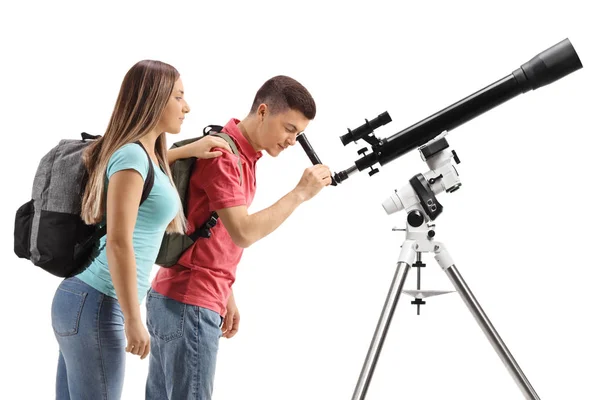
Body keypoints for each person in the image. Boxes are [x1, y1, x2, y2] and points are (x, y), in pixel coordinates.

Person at [50, 59, 230, 400]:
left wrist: (188, 150)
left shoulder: (144, 156)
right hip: (99, 302)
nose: (186, 106)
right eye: (178, 96)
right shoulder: (132, 157)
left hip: (84, 299)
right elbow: (119, 242)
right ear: (154, 98)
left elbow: (152, 181)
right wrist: (134, 319)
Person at [146, 75, 332, 400]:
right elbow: (243, 231)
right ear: (262, 111)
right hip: (190, 304)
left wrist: (226, 290)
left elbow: (210, 228)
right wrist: (300, 193)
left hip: (181, 295)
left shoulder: (242, 154)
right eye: (289, 129)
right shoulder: (223, 156)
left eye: (299, 135)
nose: (292, 141)